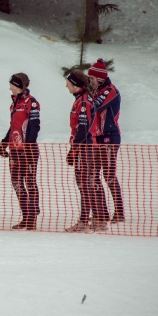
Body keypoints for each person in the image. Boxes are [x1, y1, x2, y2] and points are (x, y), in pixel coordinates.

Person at [64, 69, 109, 232]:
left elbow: (82, 130)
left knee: (85, 184)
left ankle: (87, 221)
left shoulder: (83, 102)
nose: (66, 86)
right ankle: (99, 219)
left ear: (75, 84)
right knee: (87, 183)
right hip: (85, 148)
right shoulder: (81, 100)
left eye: (68, 83)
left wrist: (73, 151)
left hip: (85, 148)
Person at [0, 73, 41, 231]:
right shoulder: (14, 104)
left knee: (30, 182)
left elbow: (35, 125)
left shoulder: (31, 102)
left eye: (11, 84)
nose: (9, 87)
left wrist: (29, 146)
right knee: (16, 182)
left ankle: (32, 217)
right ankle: (26, 215)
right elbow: (13, 126)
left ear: (17, 85)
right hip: (14, 149)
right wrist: (4, 142)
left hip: (27, 149)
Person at [88, 59, 125, 223]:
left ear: (100, 78)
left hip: (110, 137)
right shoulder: (96, 90)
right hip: (97, 137)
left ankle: (119, 212)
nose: (90, 81)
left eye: (92, 78)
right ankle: (101, 212)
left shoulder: (110, 90)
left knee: (109, 175)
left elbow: (95, 106)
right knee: (93, 175)